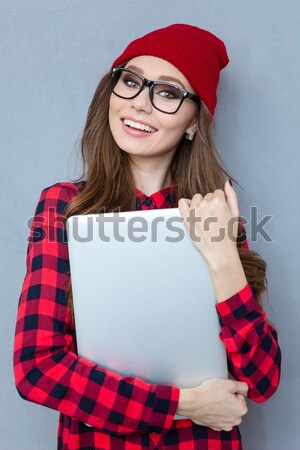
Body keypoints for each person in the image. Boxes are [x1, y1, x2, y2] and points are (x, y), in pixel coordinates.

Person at [13, 23, 281, 450]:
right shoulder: (63, 207)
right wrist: (183, 404)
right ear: (112, 91)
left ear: (195, 122)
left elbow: (262, 380)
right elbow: (38, 368)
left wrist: (223, 258)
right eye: (132, 81)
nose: (140, 104)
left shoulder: (216, 215)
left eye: (169, 93)